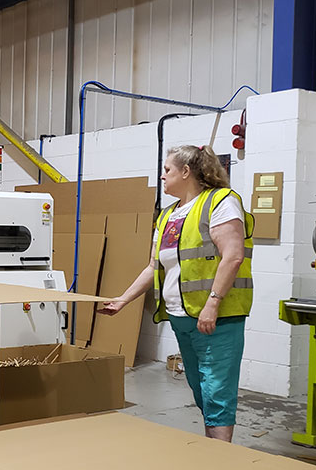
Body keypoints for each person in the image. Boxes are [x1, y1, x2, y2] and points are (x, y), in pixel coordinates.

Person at [100, 145, 253, 442]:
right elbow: (154, 267)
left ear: (186, 172)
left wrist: (213, 304)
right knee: (201, 391)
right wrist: (123, 300)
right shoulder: (168, 215)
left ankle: (221, 458)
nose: (162, 176)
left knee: (217, 393)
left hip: (217, 318)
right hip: (182, 318)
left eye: (167, 169)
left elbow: (233, 256)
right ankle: (214, 449)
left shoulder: (220, 202)